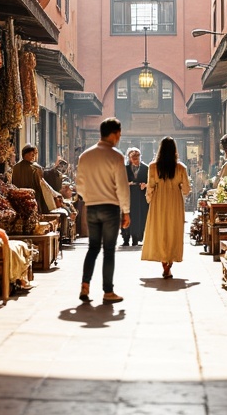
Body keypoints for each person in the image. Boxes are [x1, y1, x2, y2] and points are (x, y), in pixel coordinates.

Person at [77, 117, 129, 304]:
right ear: (114, 134)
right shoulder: (116, 156)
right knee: (108, 250)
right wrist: (126, 211)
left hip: (91, 207)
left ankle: (85, 285)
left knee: (92, 248)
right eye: (119, 134)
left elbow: (80, 186)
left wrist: (89, 197)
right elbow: (122, 187)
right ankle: (108, 291)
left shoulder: (85, 156)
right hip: (110, 208)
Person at [141, 136, 191, 279]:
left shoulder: (153, 167)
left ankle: (164, 264)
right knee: (173, 230)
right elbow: (186, 189)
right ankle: (169, 263)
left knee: (160, 230)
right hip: (175, 201)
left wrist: (149, 200)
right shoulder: (181, 168)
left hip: (159, 201)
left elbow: (150, 187)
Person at [12, 144, 70, 231]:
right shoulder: (35, 168)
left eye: (34, 154)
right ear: (25, 155)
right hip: (33, 198)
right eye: (32, 154)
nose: (34, 157)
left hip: (18, 198)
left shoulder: (16, 167)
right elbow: (42, 184)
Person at [121, 147, 149, 246]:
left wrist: (145, 185)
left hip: (140, 196)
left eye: (137, 158)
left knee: (139, 216)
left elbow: (150, 181)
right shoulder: (125, 168)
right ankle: (126, 237)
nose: (135, 161)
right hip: (128, 196)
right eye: (133, 158)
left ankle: (136, 238)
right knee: (127, 215)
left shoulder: (146, 168)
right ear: (129, 158)